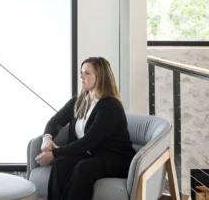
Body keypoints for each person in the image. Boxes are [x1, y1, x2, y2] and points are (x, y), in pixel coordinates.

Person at [34, 57, 136, 200]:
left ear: (100, 77)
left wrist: (55, 153)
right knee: (61, 163)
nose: (81, 76)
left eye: (87, 73)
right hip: (91, 154)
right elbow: (55, 121)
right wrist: (47, 138)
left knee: (84, 167)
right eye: (81, 72)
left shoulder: (110, 106)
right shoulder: (80, 100)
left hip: (115, 158)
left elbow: (88, 141)